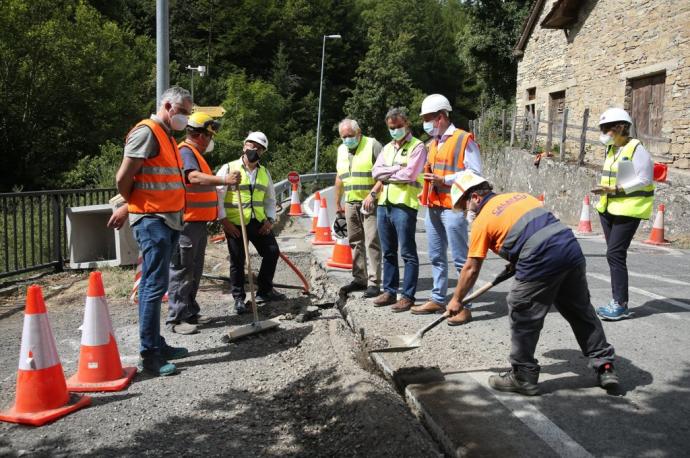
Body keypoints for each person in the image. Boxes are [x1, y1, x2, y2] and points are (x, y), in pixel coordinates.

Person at [446, 171, 618, 396]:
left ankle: (523, 375)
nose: (467, 212)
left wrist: (457, 299)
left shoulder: (483, 220)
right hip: (569, 249)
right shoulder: (520, 197)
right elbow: (534, 229)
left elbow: (470, 268)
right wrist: (517, 260)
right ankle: (605, 366)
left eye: (465, 205)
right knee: (580, 311)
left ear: (476, 197)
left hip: (541, 257)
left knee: (522, 308)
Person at [108, 86, 193, 376]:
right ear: (168, 106)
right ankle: (150, 354)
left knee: (155, 287)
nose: (185, 118)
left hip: (166, 220)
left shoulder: (167, 137)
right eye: (183, 112)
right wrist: (133, 204)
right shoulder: (147, 132)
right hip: (152, 220)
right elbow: (123, 177)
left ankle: (156, 342)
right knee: (153, 288)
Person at [166, 112, 241, 334]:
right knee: (182, 270)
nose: (210, 141)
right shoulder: (186, 152)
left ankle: (189, 311)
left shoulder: (195, 154)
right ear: (200, 135)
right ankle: (177, 319)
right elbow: (193, 178)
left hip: (197, 224)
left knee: (194, 271)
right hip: (186, 224)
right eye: (209, 136)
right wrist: (224, 179)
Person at [412, 94, 482, 326]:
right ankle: (438, 297)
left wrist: (445, 179)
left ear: (441, 117)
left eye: (428, 118)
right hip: (433, 206)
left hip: (454, 206)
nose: (425, 123)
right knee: (436, 256)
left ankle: (464, 305)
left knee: (461, 259)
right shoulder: (433, 143)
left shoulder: (463, 139)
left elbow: (475, 172)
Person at [592, 108, 654, 321]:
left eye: (606, 128)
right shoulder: (611, 150)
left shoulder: (637, 149)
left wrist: (617, 189)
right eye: (602, 128)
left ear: (620, 127)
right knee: (614, 255)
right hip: (608, 208)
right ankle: (617, 301)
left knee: (615, 254)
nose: (603, 132)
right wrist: (605, 190)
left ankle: (620, 304)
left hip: (629, 209)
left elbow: (645, 179)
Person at [216, 131, 286, 314]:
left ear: (263, 152)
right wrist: (223, 221)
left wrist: (270, 220)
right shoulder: (229, 168)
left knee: (272, 252)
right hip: (235, 223)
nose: (254, 150)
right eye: (251, 145)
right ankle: (239, 299)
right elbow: (218, 196)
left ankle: (264, 290)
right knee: (237, 261)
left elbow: (270, 199)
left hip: (258, 222)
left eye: (259, 148)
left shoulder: (264, 173)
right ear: (244, 145)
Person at [371, 108, 427, 312]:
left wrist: (388, 173)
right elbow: (375, 172)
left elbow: (410, 175)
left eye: (398, 127)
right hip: (384, 205)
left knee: (407, 252)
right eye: (391, 128)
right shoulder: (387, 148)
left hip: (404, 204)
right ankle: (389, 291)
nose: (394, 130)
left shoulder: (418, 146)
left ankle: (408, 296)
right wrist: (396, 169)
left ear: (407, 124)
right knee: (388, 252)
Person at [335, 118, 383, 298]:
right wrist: (337, 202)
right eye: (344, 136)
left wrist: (372, 194)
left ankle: (374, 282)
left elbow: (384, 174)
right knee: (355, 241)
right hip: (350, 202)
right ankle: (359, 278)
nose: (347, 139)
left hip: (370, 202)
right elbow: (340, 176)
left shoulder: (373, 145)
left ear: (359, 133)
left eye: (350, 135)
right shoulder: (341, 149)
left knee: (372, 241)